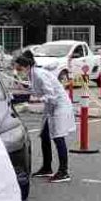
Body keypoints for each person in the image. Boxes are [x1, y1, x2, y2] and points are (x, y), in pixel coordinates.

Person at [14, 50, 75, 183]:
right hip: (51, 107)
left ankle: (64, 171)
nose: (17, 70)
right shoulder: (32, 74)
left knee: (58, 136)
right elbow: (34, 89)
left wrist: (36, 100)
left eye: (19, 67)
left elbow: (51, 96)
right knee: (44, 135)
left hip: (59, 105)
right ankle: (47, 167)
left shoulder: (39, 74)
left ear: (26, 66)